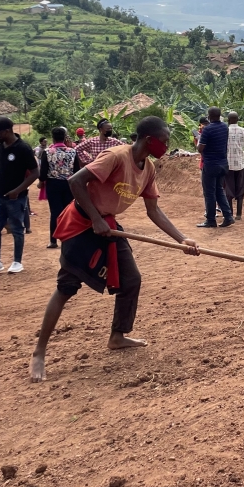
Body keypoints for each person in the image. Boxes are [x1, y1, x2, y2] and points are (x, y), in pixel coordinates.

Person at [30, 116, 199, 383]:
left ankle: (117, 336)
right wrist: (95, 218)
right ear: (148, 140)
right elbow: (76, 181)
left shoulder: (150, 168)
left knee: (131, 279)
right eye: (164, 141)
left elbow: (153, 210)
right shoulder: (117, 156)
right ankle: (39, 353)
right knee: (66, 287)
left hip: (109, 226)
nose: (167, 146)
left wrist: (182, 239)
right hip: (81, 224)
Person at [0, 117, 38, 275]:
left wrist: (17, 190)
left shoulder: (23, 148)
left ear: (7, 131)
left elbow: (35, 172)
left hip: (16, 198)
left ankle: (17, 262)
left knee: (17, 229)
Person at [40, 127, 78, 249]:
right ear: (65, 137)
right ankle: (69, 239)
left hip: (53, 185)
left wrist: (41, 182)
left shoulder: (47, 152)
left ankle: (53, 241)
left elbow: (43, 172)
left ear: (53, 138)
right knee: (69, 212)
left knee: (55, 212)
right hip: (69, 184)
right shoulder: (72, 152)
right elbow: (77, 170)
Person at [197, 107, 234, 228]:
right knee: (219, 190)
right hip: (223, 164)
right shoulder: (225, 127)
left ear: (209, 116)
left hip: (211, 164)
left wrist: (199, 139)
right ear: (220, 115)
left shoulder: (207, 130)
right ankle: (228, 216)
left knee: (209, 193)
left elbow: (200, 148)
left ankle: (211, 220)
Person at [224, 111, 244, 219]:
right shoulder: (243, 131)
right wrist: (242, 154)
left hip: (228, 165)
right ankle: (239, 214)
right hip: (240, 164)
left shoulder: (225, 131)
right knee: (240, 188)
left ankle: (230, 213)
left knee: (228, 190)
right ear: (237, 120)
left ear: (228, 120)